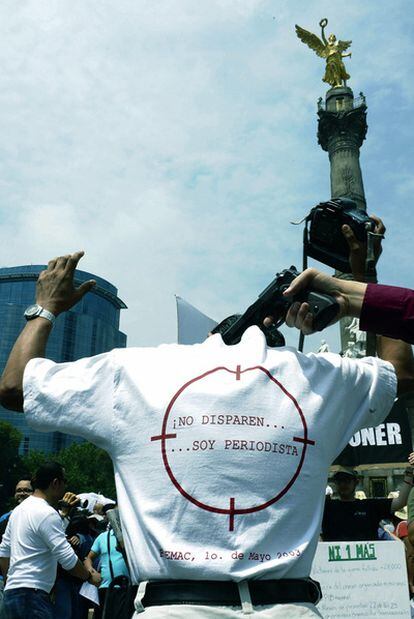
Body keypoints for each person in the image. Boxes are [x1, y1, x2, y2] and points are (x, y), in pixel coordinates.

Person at [0, 252, 413, 618]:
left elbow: (15, 387)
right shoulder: (316, 378)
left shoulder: (139, 373)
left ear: (210, 339)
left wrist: (46, 308)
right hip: (290, 607)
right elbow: (402, 373)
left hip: (173, 609)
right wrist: (363, 279)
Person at [0, 462, 101, 619]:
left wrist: (9, 581)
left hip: (11, 596)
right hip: (33, 596)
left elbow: (4, 552)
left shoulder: (18, 511)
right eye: (64, 481)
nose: (65, 486)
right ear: (55, 483)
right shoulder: (47, 512)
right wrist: (89, 576)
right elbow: (67, 559)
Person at [321, 463, 413, 542]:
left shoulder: (370, 506)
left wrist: (409, 475)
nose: (343, 484)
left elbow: (401, 502)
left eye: (347, 480)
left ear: (356, 482)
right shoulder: (326, 508)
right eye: (339, 481)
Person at [84, 523, 130, 617]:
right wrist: (92, 572)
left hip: (128, 587)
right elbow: (88, 558)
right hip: (106, 588)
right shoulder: (103, 537)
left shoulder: (132, 535)